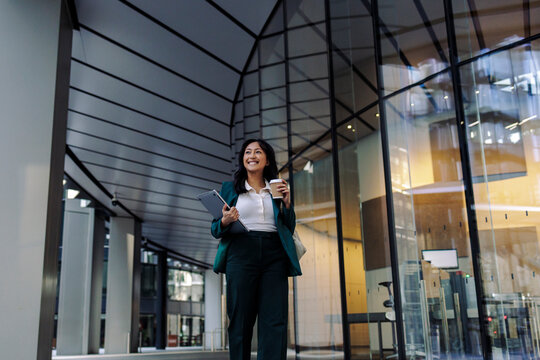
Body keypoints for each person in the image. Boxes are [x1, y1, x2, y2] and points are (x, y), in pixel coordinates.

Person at [211, 139, 302, 360]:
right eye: (248, 152)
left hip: (274, 254)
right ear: (243, 159)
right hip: (241, 253)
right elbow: (215, 229)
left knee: (275, 319)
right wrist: (224, 221)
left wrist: (288, 205)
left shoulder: (277, 187)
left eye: (258, 152)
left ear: (267, 159)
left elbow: (288, 226)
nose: (252, 155)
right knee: (241, 318)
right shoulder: (230, 188)